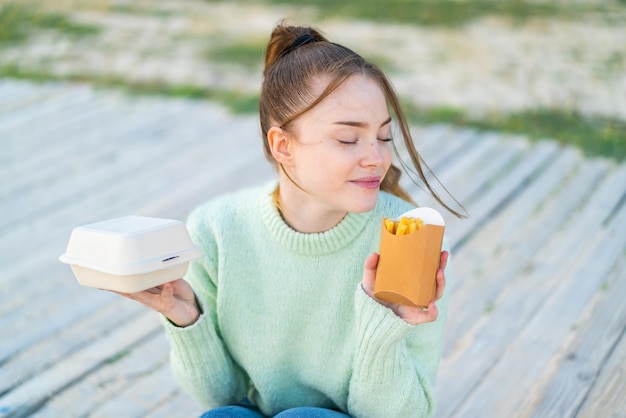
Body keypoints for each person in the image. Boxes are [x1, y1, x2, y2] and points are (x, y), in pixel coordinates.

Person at [117, 21, 464, 418]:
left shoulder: (408, 237)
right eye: (349, 139)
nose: (377, 157)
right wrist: (186, 319)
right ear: (283, 145)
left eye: (384, 137)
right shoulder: (216, 229)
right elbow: (224, 397)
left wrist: (382, 328)